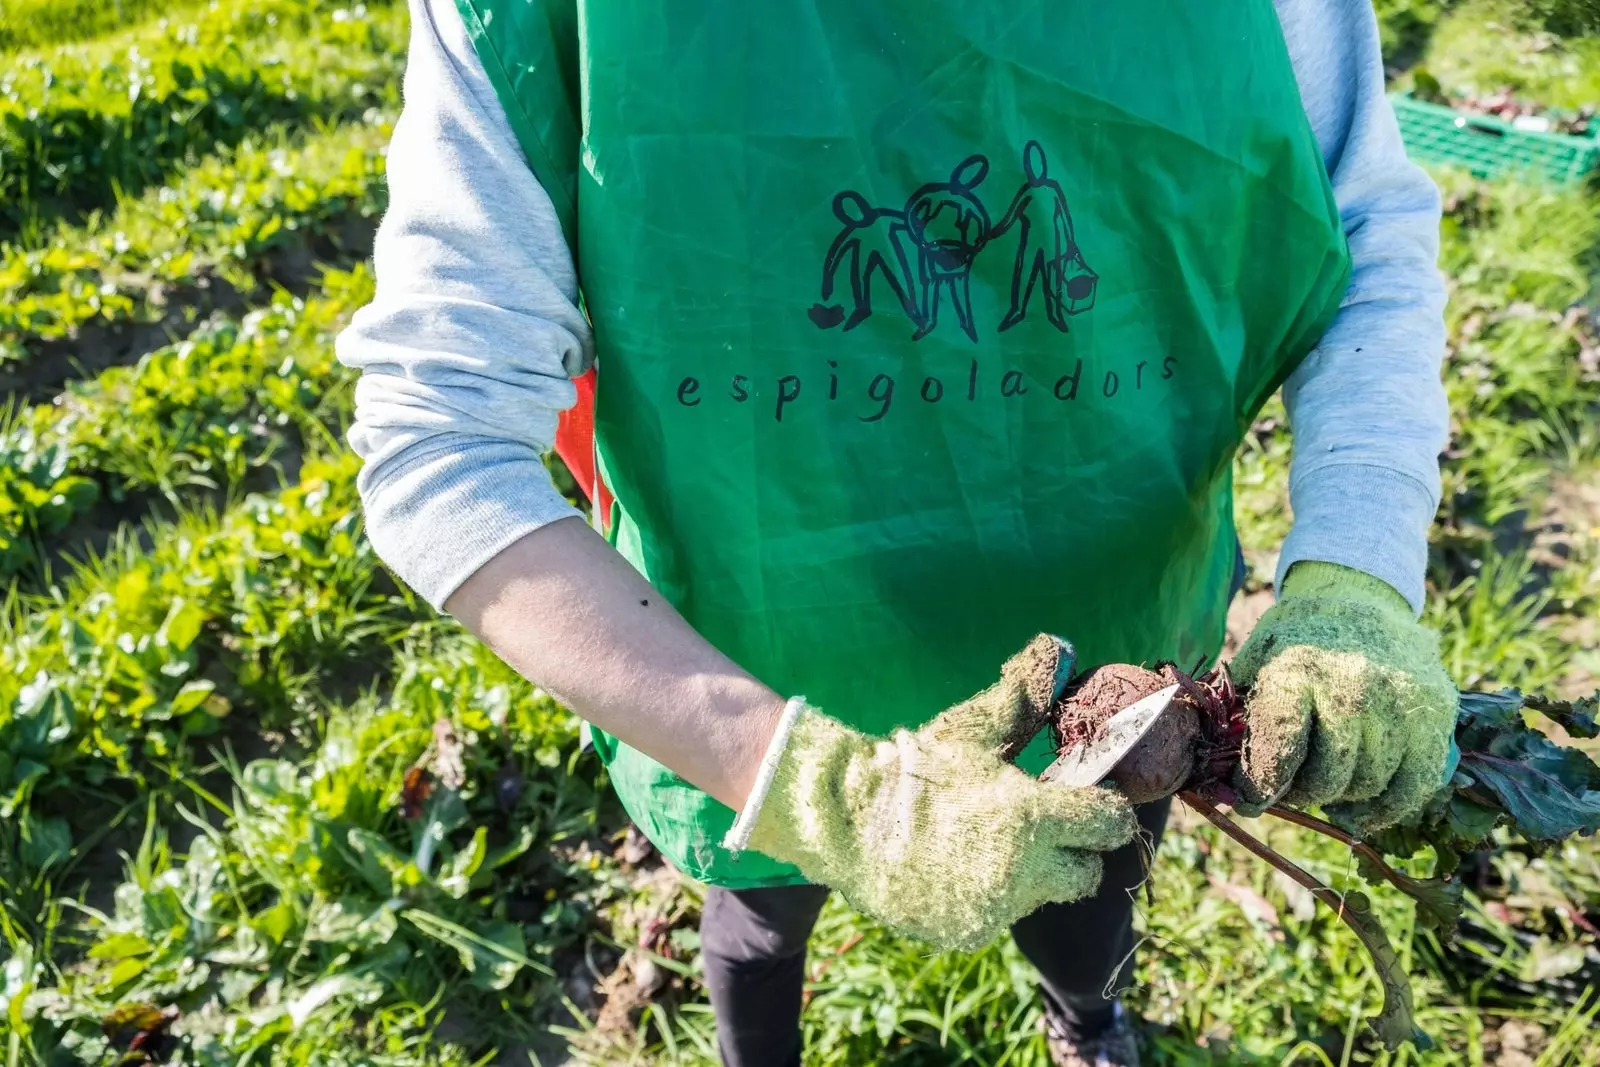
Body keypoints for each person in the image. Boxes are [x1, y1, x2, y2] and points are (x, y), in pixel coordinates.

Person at [336, 1, 1458, 1064]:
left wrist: (1355, 570)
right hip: (750, 666)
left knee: (1088, 884)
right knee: (760, 919)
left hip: (1110, 638)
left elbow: (1355, 230)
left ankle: (1088, 1016)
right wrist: (808, 789)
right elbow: (440, 445)